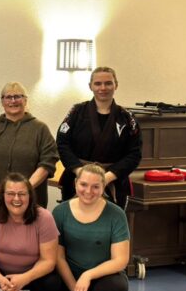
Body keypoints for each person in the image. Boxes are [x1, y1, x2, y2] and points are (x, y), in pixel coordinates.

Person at [52, 164, 130, 291]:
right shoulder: (60, 212)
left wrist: (88, 275)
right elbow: (58, 257)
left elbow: (121, 260)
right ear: (75, 183)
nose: (89, 191)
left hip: (103, 276)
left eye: (96, 186)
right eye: (84, 185)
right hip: (70, 277)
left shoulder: (116, 214)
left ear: (103, 187)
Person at [56, 66, 142, 209]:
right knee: (73, 226)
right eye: (98, 83)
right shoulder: (76, 112)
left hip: (113, 180)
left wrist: (106, 177)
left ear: (116, 85)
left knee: (111, 227)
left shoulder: (127, 118)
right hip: (78, 180)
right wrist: (80, 172)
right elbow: (62, 144)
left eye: (108, 83)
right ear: (90, 86)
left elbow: (134, 153)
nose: (103, 88)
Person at [0, 82, 58, 208]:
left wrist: (23, 191)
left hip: (31, 203)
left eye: (18, 96)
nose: (13, 101)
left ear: (25, 100)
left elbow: (48, 162)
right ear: (2, 101)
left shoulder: (40, 129)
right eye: (8, 97)